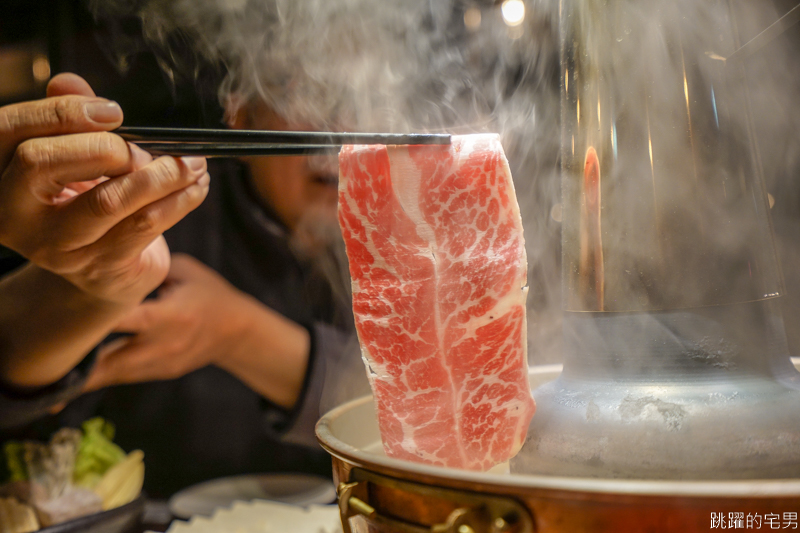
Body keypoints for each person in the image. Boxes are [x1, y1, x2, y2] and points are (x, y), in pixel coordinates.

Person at [0, 73, 363, 498]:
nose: (342, 126)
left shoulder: (417, 237)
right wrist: (84, 294)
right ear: (240, 113)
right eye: (316, 90)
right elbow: (27, 414)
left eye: (369, 91)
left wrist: (239, 332)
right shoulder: (162, 211)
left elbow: (428, 415)